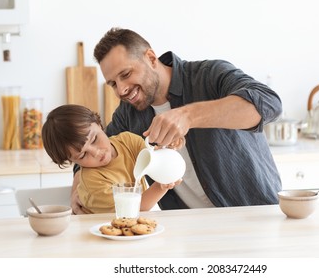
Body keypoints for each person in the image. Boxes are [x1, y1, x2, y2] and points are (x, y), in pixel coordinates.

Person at [71, 27, 283, 213]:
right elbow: (94, 151)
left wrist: (187, 116)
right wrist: (77, 187)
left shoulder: (209, 75)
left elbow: (269, 103)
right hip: (187, 232)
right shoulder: (128, 114)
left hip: (255, 215)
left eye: (126, 74)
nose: (122, 89)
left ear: (151, 58)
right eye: (113, 84)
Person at [42, 104, 181, 214]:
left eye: (95, 139)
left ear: (99, 124)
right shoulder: (92, 181)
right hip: (99, 236)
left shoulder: (128, 141)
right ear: (73, 161)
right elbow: (136, 207)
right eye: (82, 155)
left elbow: (153, 159)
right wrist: (161, 186)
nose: (96, 153)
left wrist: (167, 147)